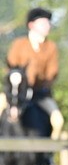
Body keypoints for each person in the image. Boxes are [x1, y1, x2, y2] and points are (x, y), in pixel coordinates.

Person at [3, 8, 64, 138]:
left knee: (58, 121)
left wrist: (39, 84)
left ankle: (49, 155)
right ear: (31, 25)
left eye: (48, 23)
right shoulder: (18, 44)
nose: (47, 26)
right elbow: (11, 68)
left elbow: (52, 72)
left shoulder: (51, 47)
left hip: (39, 94)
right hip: (16, 91)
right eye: (43, 23)